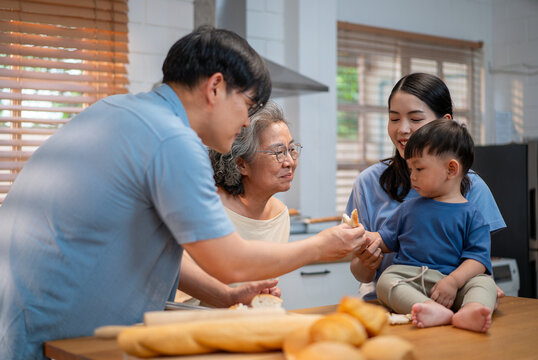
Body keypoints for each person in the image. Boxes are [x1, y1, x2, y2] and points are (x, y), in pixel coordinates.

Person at [0, 26, 366, 359]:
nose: (244, 123)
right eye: (247, 106)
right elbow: (229, 261)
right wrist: (321, 246)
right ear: (215, 87)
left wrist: (225, 296)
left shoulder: (117, 110)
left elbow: (147, 244)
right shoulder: (173, 140)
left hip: (25, 313)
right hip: (57, 329)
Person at [346, 73, 506, 301]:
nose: (403, 129)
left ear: (445, 122)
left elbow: (478, 259)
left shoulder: (473, 187)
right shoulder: (368, 182)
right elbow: (361, 274)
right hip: (395, 302)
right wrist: (366, 261)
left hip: (451, 298)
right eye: (394, 119)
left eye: (415, 118)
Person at [374, 119, 497, 333]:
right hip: (413, 280)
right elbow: (383, 241)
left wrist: (453, 281)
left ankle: (472, 310)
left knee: (484, 283)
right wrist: (365, 241)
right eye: (410, 168)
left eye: (419, 168)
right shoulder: (408, 208)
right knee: (386, 280)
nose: (412, 176)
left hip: (454, 286)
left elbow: (477, 259)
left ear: (451, 169)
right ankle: (430, 309)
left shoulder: (473, 215)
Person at [179, 100, 297, 305]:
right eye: (278, 152)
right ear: (241, 164)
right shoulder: (207, 208)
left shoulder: (280, 215)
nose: (290, 162)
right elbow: (183, 292)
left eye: (292, 149)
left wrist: (262, 295)